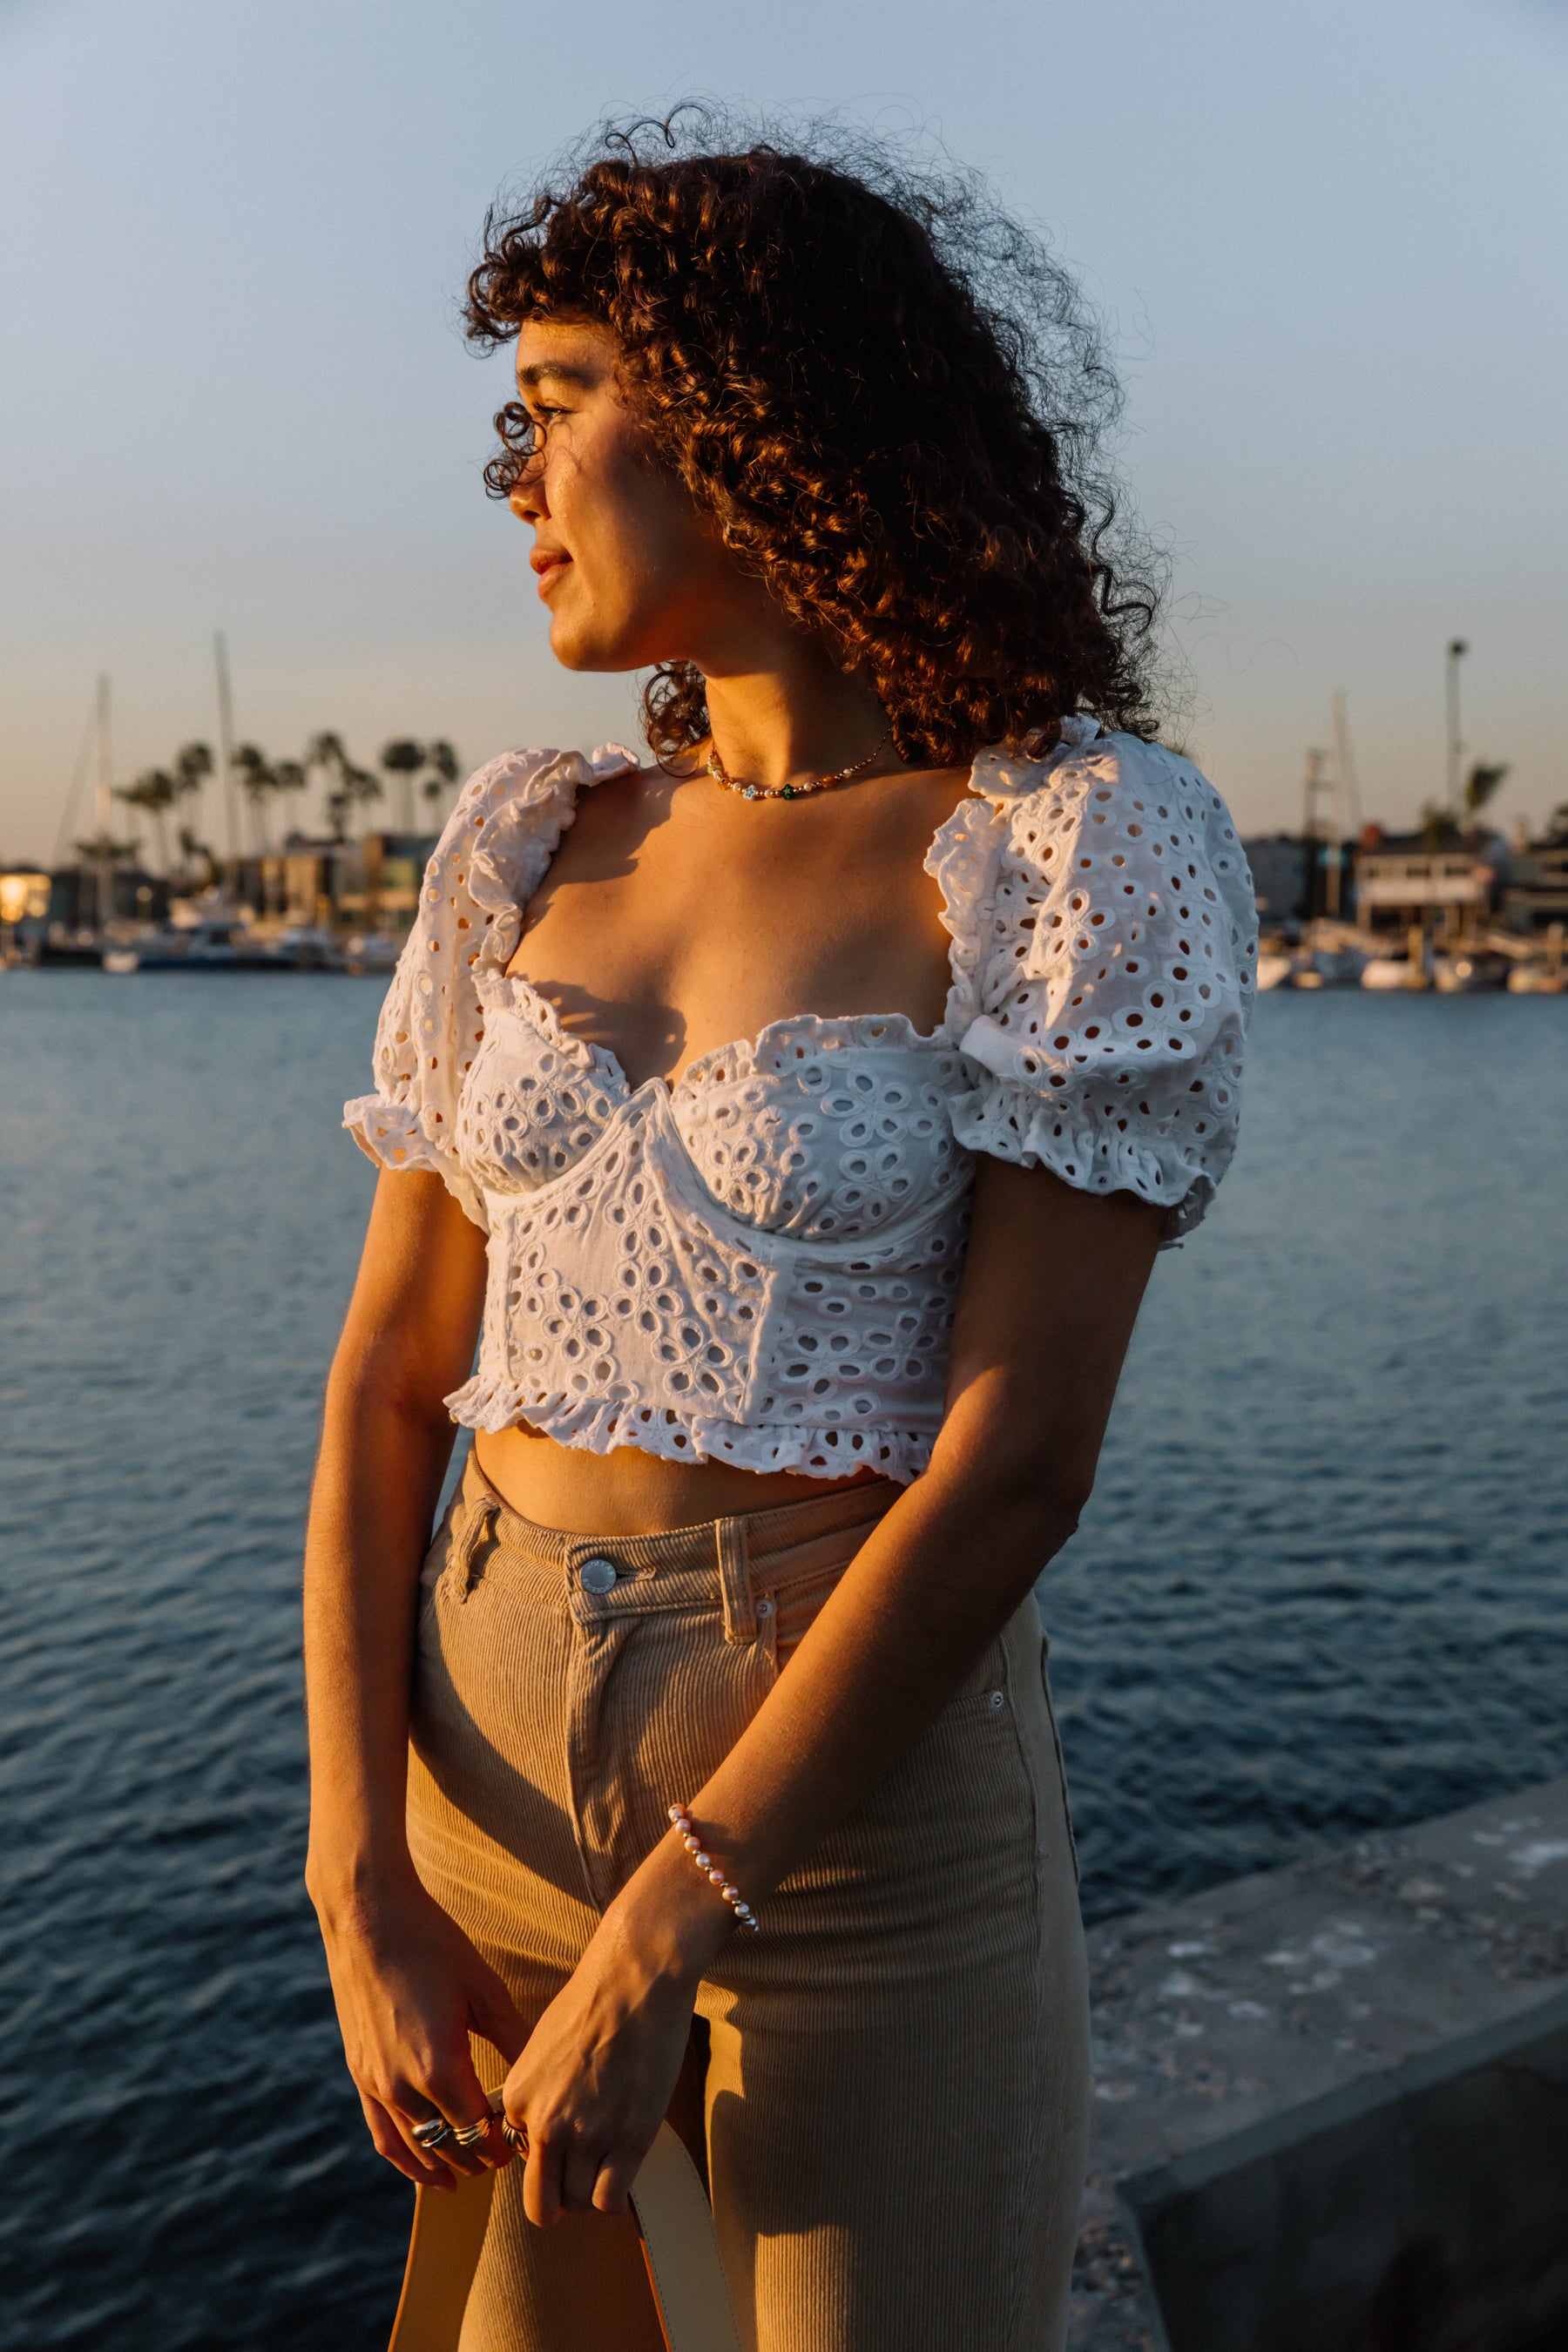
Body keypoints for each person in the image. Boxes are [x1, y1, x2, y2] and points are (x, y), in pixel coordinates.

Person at [304, 118, 1256, 2352]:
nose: (511, 479)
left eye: (558, 407)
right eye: (504, 424)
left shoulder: (1069, 840)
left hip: (847, 1862)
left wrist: (675, 1922)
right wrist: (352, 1874)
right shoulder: (524, 842)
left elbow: (1017, 1459)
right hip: (481, 1806)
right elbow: (379, 1385)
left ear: (755, 415)